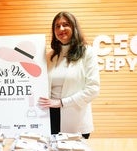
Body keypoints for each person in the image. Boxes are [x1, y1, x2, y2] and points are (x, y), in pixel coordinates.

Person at [38, 11, 100, 139]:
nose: (61, 29)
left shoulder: (87, 52)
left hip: (76, 118)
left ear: (74, 27)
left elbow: (93, 89)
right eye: (57, 26)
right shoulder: (50, 56)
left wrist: (62, 102)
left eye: (65, 24)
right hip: (49, 117)